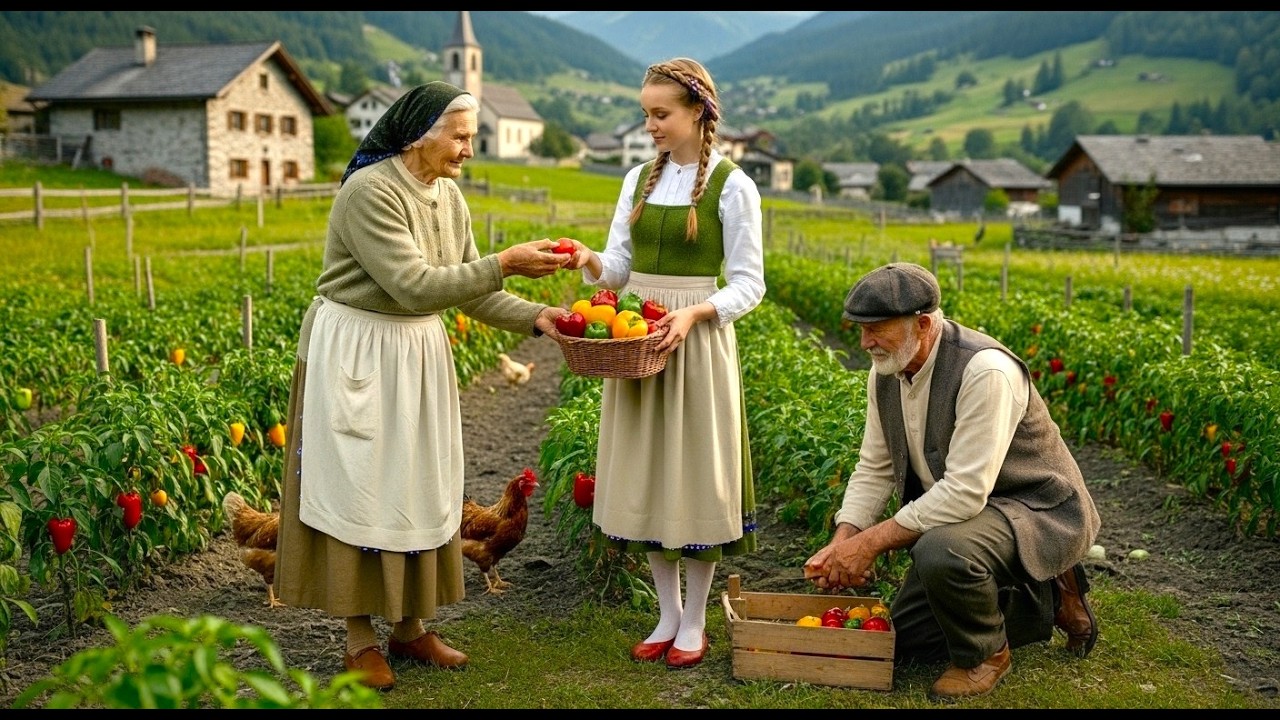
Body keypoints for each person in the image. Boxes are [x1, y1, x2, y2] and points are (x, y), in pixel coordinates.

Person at [271, 81, 572, 691]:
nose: (468, 149)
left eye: (471, 137)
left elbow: (471, 287)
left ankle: (409, 629)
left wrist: (538, 317)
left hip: (416, 350)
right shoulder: (369, 192)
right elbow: (413, 284)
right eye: (459, 136)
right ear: (417, 134)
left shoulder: (448, 196)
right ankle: (359, 641)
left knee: (416, 484)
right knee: (359, 488)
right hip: (359, 349)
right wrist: (505, 261)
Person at [803, 262, 1100, 700]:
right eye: (860, 329)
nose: (865, 343)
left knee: (941, 552)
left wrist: (868, 545)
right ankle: (1047, 596)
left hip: (1035, 508)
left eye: (876, 329)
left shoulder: (985, 371)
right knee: (910, 638)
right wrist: (843, 538)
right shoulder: (887, 371)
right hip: (971, 516)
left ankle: (985, 654)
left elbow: (964, 492)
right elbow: (876, 465)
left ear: (922, 324)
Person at [560, 57, 765, 670]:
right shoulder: (637, 180)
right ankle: (667, 614)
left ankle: (697, 620)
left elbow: (750, 285)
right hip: (641, 339)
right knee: (650, 475)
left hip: (694, 342)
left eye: (660, 113)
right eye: (645, 112)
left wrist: (697, 314)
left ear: (698, 112)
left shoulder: (732, 185)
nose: (649, 124)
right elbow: (621, 269)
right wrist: (587, 260)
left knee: (694, 478)